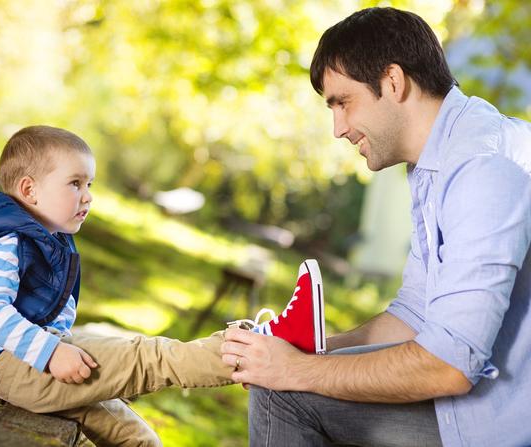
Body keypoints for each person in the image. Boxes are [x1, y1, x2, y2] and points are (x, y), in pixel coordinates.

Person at [221, 7, 531, 447]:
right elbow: (415, 314)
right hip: (477, 405)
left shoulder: (482, 170)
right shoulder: (439, 161)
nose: (338, 128)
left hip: (498, 422)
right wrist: (316, 348)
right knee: (288, 382)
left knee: (283, 391)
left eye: (343, 103)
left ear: (392, 81)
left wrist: (292, 368)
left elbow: (450, 364)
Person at [0, 125, 239, 447]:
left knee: (139, 440)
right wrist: (50, 353)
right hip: (13, 366)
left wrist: (57, 346)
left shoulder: (50, 241)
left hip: (32, 360)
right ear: (29, 190)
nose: (88, 197)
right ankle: (242, 352)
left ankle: (241, 352)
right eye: (75, 183)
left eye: (89, 184)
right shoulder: (6, 241)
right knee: (144, 357)